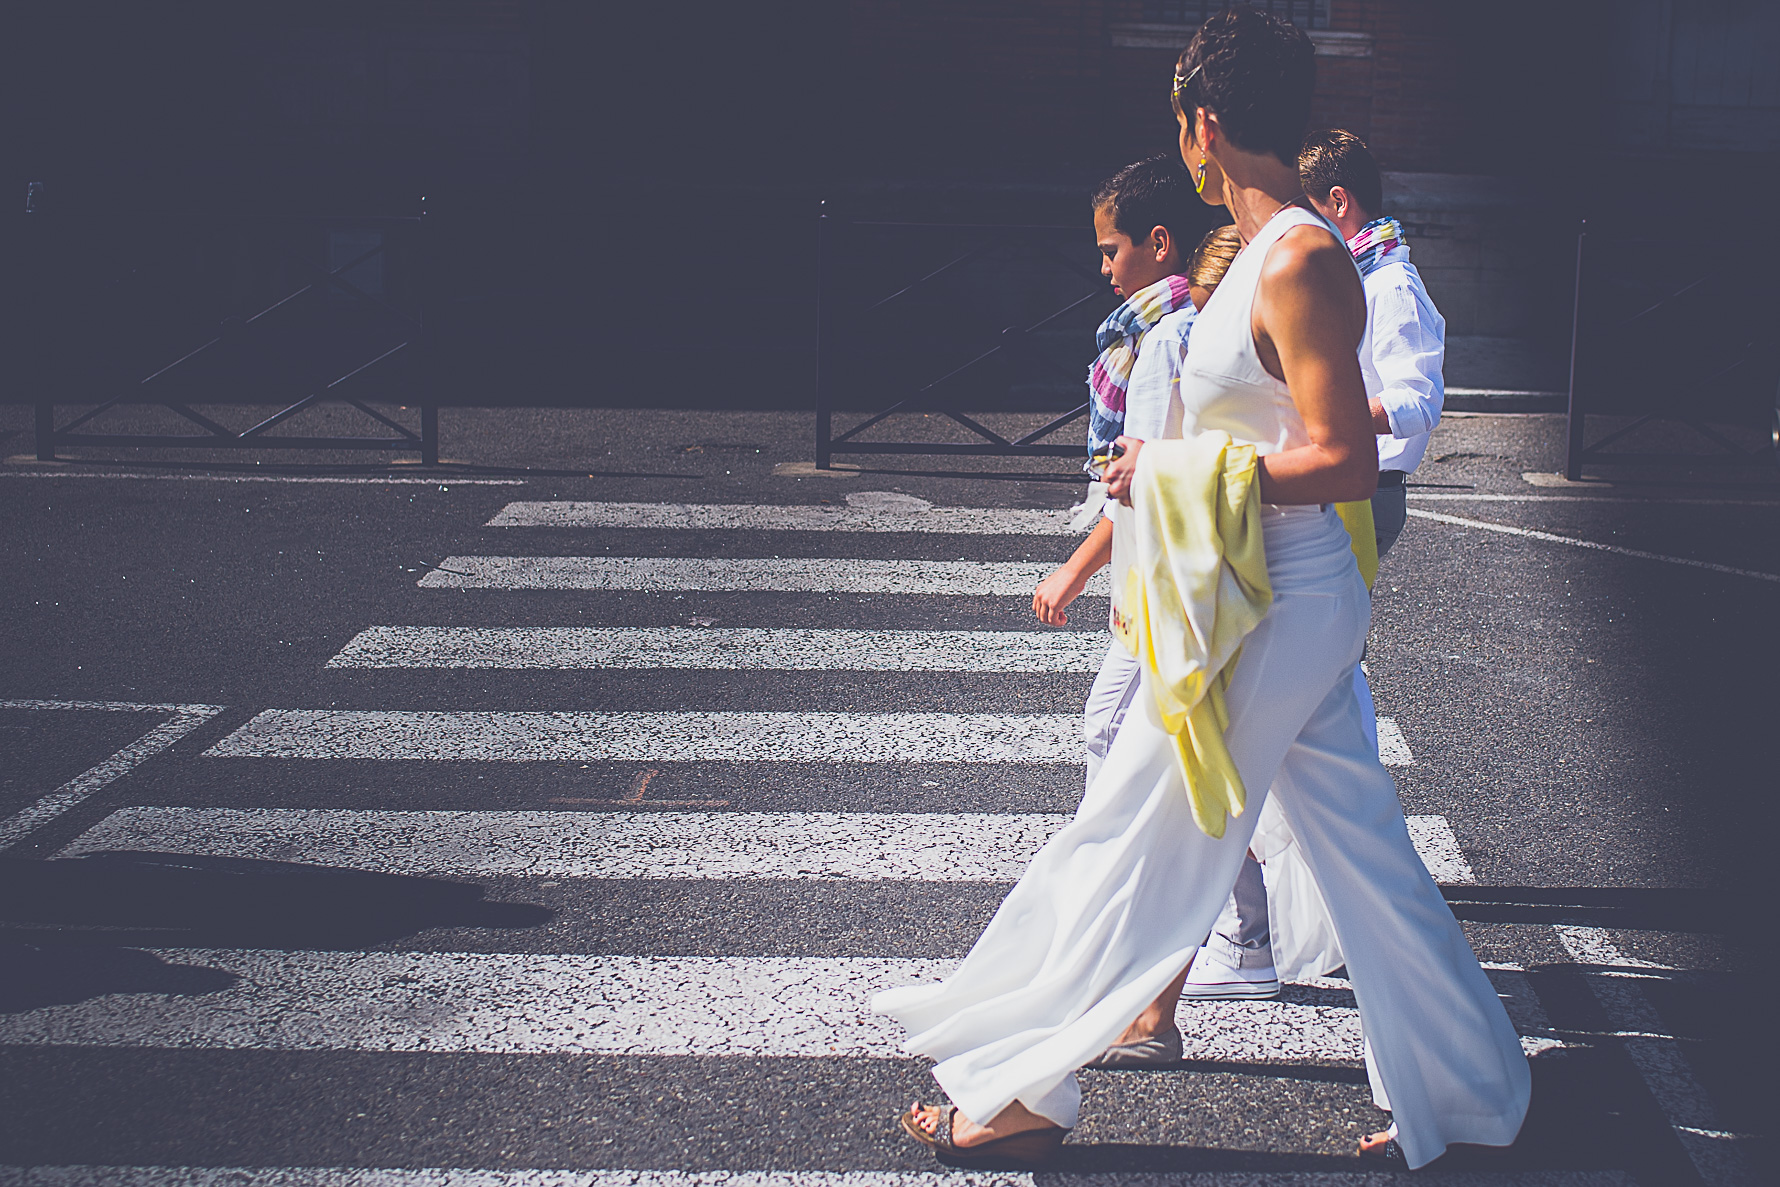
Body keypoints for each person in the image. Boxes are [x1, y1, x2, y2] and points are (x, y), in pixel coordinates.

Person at [876, 9, 1528, 1172]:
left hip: (1279, 609)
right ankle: (1472, 1096)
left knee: (1133, 828)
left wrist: (1165, 470)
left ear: (1203, 126)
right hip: (1254, 601)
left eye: (1180, 121)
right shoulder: (1253, 255)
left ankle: (1019, 1082)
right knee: (1362, 854)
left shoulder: (1300, 258)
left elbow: (1344, 454)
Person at [1170, 128, 1452, 1004]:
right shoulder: (1326, 263)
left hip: (1344, 506)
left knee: (1295, 734)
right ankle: (1281, 931)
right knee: (1324, 764)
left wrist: (1320, 401)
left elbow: (1413, 400)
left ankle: (1242, 942)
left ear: (1337, 204)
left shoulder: (1377, 279)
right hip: (1301, 520)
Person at [1036, 224, 1243, 794]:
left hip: (1176, 564)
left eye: (1109, 251)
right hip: (1214, 558)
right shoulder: (1184, 332)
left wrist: (1075, 571)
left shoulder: (1171, 337)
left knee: (1112, 724)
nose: (1104, 268)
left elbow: (1135, 480)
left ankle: (1105, 868)